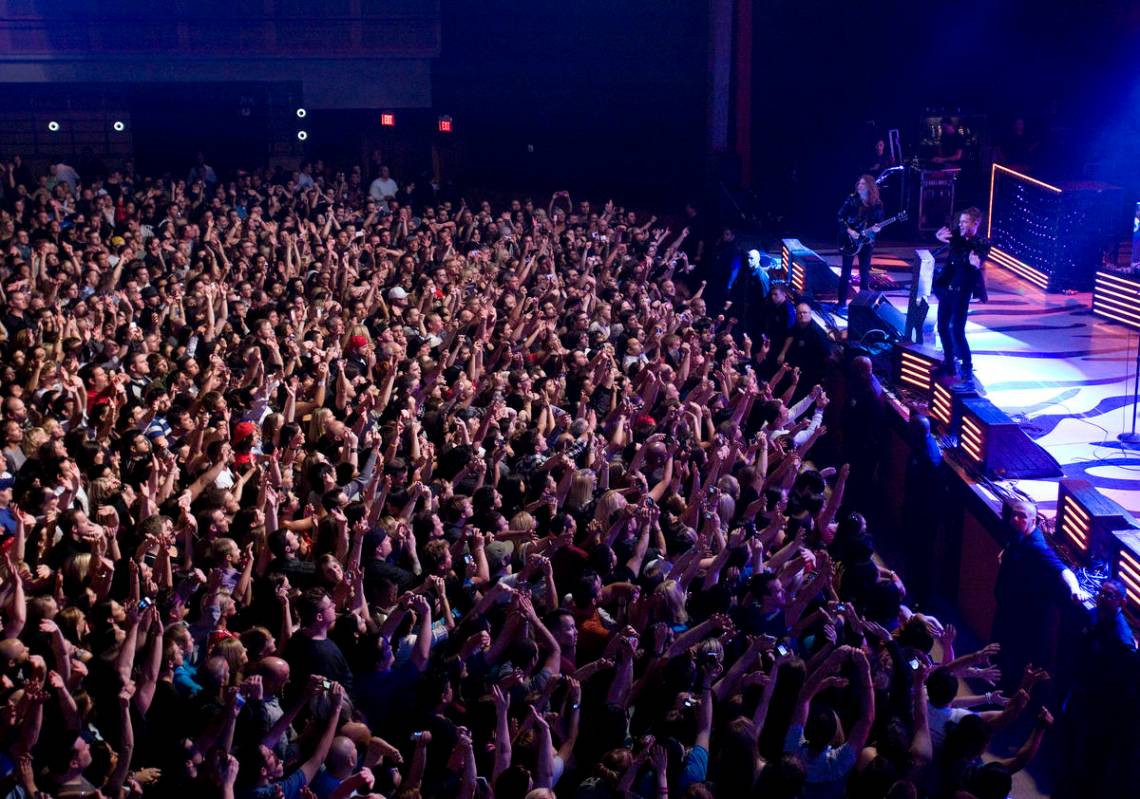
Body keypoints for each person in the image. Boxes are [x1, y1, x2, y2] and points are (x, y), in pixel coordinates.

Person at [991, 499, 1089, 692]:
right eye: (1014, 515)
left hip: (1020, 622)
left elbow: (1062, 571)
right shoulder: (1018, 536)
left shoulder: (1036, 548)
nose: (1016, 519)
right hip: (1007, 613)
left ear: (1033, 521)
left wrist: (1075, 589)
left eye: (1022, 517)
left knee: (1012, 667)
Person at [933, 207, 989, 383]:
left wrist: (976, 263)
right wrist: (938, 236)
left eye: (965, 222)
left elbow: (973, 253)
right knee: (942, 328)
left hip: (962, 293)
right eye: (960, 221)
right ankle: (949, 362)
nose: (961, 225)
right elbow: (947, 236)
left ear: (975, 223)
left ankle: (967, 366)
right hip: (947, 290)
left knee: (957, 331)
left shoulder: (981, 243)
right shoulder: (958, 235)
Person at [835, 175, 884, 315]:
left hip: (867, 242)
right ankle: (841, 302)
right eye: (859, 183)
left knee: (864, 273)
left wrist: (877, 229)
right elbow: (839, 216)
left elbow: (878, 224)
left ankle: (863, 304)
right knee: (846, 273)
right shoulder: (851, 199)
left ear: (870, 187)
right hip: (848, 240)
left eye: (863, 184)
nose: (859, 186)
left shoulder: (877, 204)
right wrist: (849, 231)